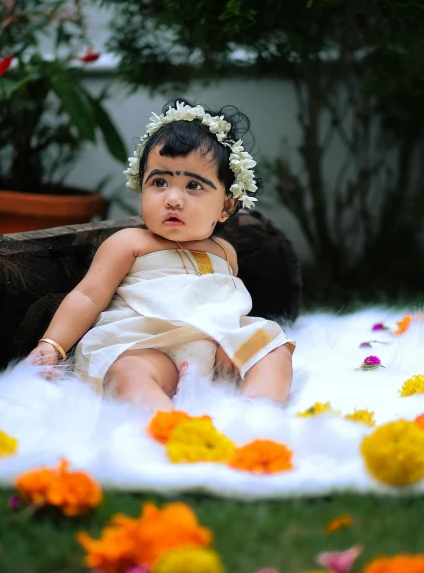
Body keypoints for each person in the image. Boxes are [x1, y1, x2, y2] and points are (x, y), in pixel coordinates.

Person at [27, 99, 295, 411]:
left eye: (193, 185)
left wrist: (239, 348)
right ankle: (162, 423)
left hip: (214, 345)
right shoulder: (129, 242)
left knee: (272, 348)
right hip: (147, 345)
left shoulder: (225, 252)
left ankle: (259, 414)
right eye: (159, 182)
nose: (173, 199)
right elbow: (88, 297)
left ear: (226, 207)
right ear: (141, 188)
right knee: (129, 373)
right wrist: (53, 344)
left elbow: (228, 307)